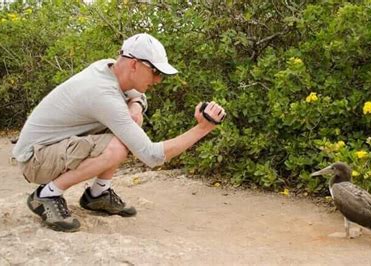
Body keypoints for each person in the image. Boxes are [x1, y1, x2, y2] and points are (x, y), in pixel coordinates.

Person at [12, 33, 226, 232]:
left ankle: (98, 194)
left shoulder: (107, 68)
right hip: (35, 159)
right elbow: (152, 156)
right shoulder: (102, 94)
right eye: (155, 72)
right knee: (119, 146)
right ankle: (46, 195)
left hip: (49, 148)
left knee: (130, 123)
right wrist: (203, 128)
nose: (158, 80)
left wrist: (136, 106)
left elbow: (138, 95)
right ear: (134, 64)